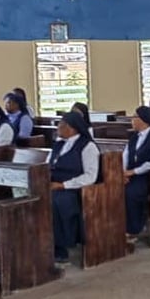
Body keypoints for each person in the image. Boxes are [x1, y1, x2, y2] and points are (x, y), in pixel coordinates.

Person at [49, 112, 100, 264]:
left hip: (76, 189)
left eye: (61, 125)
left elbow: (91, 176)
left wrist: (64, 185)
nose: (58, 128)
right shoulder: (58, 144)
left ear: (72, 128)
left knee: (56, 201)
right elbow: (47, 165)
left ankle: (61, 247)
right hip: (54, 185)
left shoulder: (87, 146)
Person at [123, 106, 150, 242]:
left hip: (148, 176)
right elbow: (125, 156)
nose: (132, 120)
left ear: (144, 120)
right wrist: (123, 173)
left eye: (134, 117)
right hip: (129, 174)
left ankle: (134, 228)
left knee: (131, 193)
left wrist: (134, 171)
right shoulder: (134, 137)